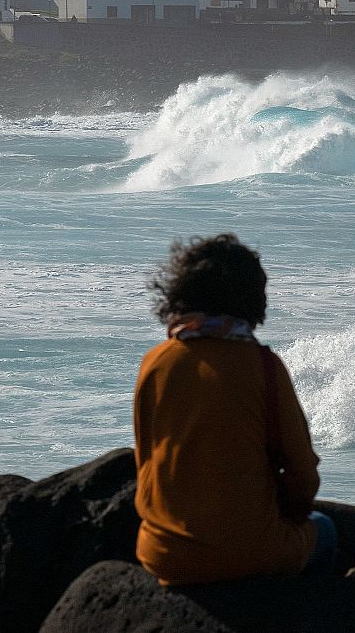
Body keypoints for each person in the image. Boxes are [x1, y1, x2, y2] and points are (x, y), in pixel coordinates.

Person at [133, 234, 336, 584]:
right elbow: (303, 473)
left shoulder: (155, 362)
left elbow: (147, 461)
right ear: (252, 299)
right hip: (251, 553)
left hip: (165, 557)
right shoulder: (263, 365)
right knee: (325, 528)